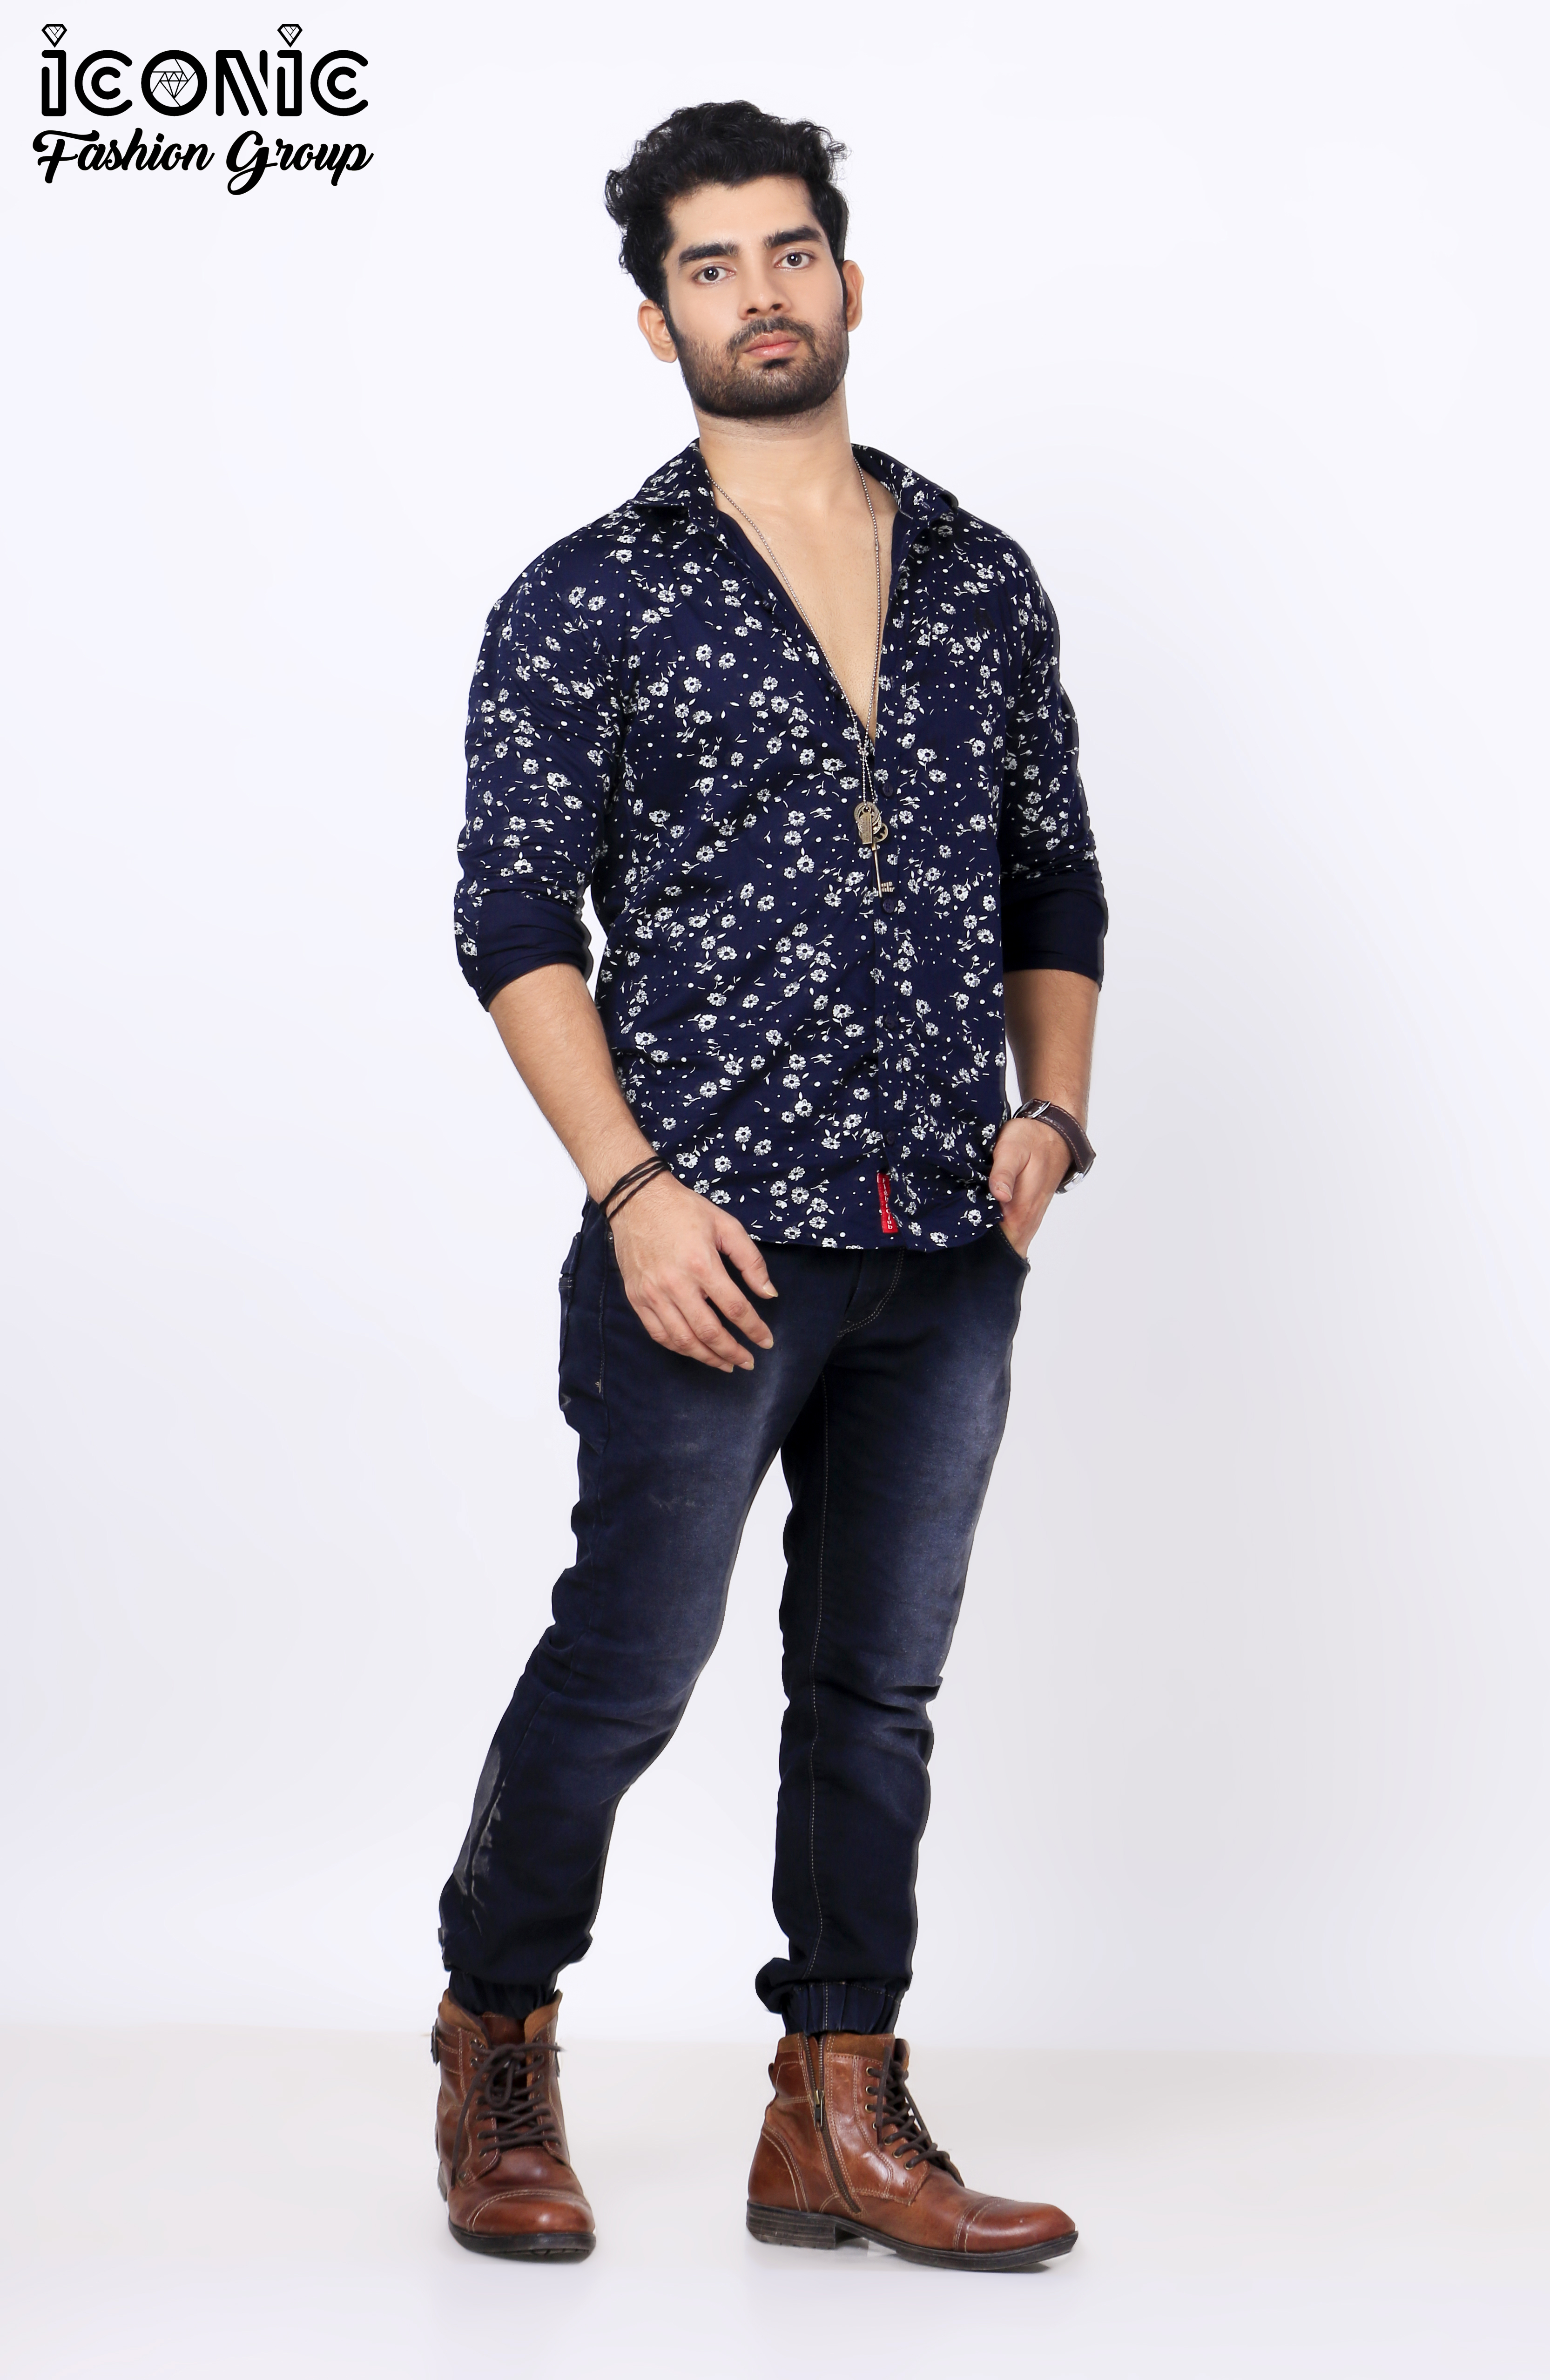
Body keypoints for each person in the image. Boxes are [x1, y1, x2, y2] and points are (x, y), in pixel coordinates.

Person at [434, 98, 1105, 2271]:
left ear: (849, 276)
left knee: (876, 1695)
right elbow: (512, 922)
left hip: (945, 1240)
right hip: (705, 1244)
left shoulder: (982, 576)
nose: (759, 292)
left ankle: (835, 2110)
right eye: (709, 266)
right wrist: (632, 1189)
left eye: (789, 250)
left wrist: (1052, 1110)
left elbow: (1055, 876)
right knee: (631, 1670)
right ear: (660, 322)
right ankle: (495, 2039)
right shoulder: (591, 598)